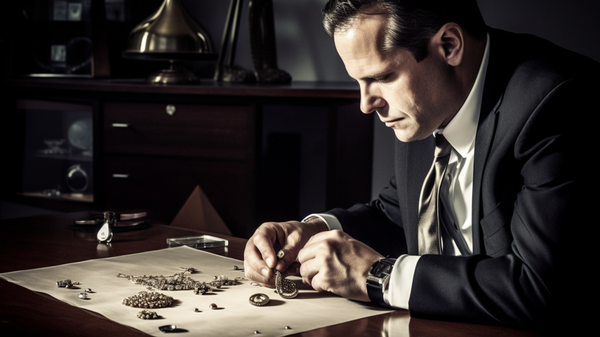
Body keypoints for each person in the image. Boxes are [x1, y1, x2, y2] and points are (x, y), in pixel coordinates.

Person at [244, 0, 597, 331]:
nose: (366, 105)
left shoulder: (557, 104)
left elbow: (539, 287)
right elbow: (397, 215)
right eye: (358, 81)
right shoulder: (430, 103)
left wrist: (377, 274)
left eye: (381, 77)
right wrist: (310, 232)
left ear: (449, 45)